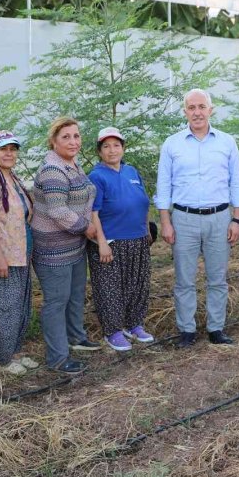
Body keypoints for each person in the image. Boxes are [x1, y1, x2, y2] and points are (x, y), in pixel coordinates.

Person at [155, 88, 239, 348]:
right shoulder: (172, 144)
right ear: (185, 111)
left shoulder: (226, 142)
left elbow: (236, 183)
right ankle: (187, 330)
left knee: (217, 278)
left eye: (201, 107)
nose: (197, 112)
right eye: (191, 107)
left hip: (219, 218)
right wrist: (165, 222)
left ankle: (216, 328)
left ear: (211, 109)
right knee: (184, 279)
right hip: (183, 219)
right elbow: (164, 187)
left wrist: (237, 220)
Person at [32, 118, 99, 374]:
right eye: (66, 137)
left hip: (74, 245)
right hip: (53, 248)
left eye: (76, 136)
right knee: (56, 301)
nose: (73, 141)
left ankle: (76, 338)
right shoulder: (52, 170)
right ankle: (58, 358)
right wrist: (87, 228)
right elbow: (58, 210)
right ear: (53, 141)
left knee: (74, 295)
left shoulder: (72, 164)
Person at [0, 130, 39, 375]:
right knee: (5, 307)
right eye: (4, 149)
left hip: (21, 251)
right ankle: (4, 357)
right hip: (2, 256)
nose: (9, 153)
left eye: (13, 149)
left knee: (20, 306)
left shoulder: (12, 177)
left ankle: (15, 350)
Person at [87, 127, 154, 352]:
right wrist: (102, 242)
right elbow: (93, 213)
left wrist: (146, 230)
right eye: (106, 146)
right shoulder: (96, 176)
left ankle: (134, 324)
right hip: (111, 242)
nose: (112, 150)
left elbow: (143, 203)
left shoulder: (131, 172)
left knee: (137, 284)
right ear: (100, 151)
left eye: (116, 145)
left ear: (123, 148)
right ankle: (113, 331)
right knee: (110, 288)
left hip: (137, 238)